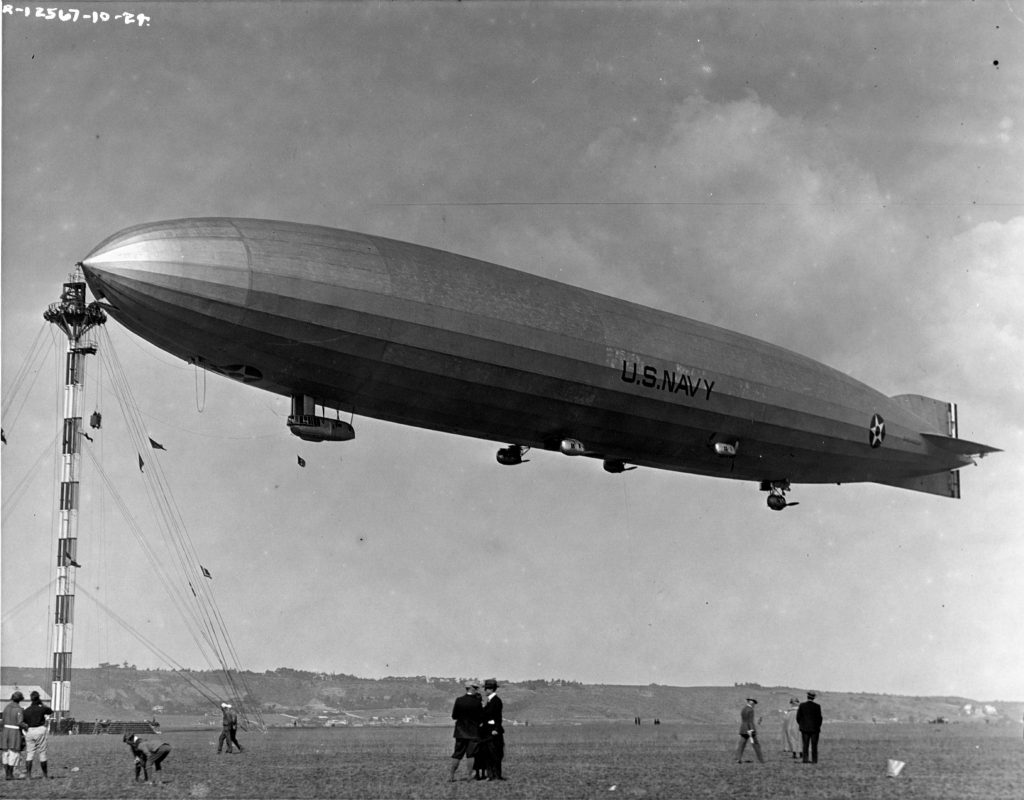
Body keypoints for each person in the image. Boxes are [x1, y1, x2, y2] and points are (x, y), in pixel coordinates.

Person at [448, 682, 482, 781]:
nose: (476, 690)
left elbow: (454, 716)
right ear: (471, 688)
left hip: (460, 732)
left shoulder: (459, 700)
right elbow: (480, 717)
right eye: (475, 688)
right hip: (473, 732)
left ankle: (451, 775)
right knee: (471, 755)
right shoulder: (477, 702)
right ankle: (469, 776)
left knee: (457, 754)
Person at [21, 691, 53, 778]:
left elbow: (23, 721)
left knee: (30, 753)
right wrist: (41, 704)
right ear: (38, 698)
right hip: (40, 730)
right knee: (42, 753)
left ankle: (28, 775)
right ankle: (45, 775)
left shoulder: (26, 710)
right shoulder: (41, 708)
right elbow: (50, 711)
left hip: (30, 731)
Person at [479, 679, 506, 780]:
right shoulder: (490, 701)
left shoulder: (496, 701)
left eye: (486, 689)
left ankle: (496, 775)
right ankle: (491, 775)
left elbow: (498, 717)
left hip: (493, 732)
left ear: (490, 689)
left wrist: (496, 729)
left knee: (495, 754)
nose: (485, 691)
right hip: (488, 731)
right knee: (489, 754)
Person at [2, 691, 24, 781]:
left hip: (5, 731)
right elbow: (19, 722)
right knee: (13, 752)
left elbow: (3, 720)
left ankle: (7, 773)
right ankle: (10, 774)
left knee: (5, 752)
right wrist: (26, 726)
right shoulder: (19, 709)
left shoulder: (6, 707)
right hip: (14, 732)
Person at [797, 691, 823, 763]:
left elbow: (798, 717)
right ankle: (814, 760)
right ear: (814, 698)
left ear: (807, 697)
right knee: (814, 745)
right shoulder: (817, 706)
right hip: (815, 729)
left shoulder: (802, 705)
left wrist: (802, 725)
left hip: (804, 729)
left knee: (805, 745)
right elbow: (819, 718)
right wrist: (817, 726)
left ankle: (805, 759)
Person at [735, 698, 764, 763]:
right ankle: (761, 760)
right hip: (749, 730)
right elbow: (750, 721)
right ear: (752, 703)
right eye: (754, 704)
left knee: (741, 745)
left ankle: (738, 758)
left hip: (743, 729)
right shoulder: (751, 710)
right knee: (756, 745)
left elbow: (744, 720)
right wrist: (751, 730)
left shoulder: (743, 709)